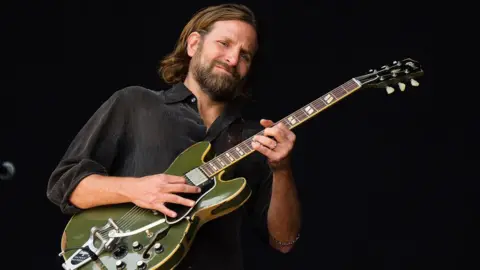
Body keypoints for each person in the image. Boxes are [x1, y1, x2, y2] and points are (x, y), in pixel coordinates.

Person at [46, 3, 301, 270]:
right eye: (224, 43)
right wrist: (138, 189)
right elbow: (65, 185)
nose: (233, 59)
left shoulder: (255, 140)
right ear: (193, 45)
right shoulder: (135, 103)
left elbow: (283, 241)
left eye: (245, 55)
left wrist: (282, 169)